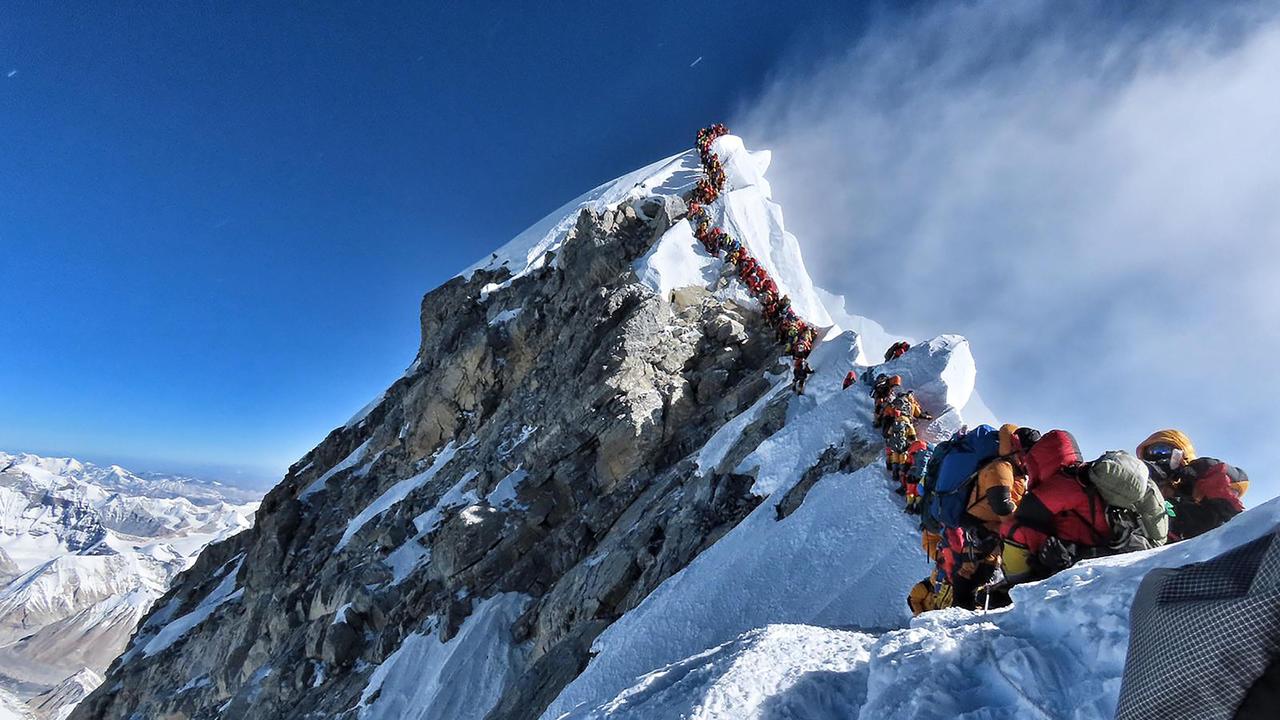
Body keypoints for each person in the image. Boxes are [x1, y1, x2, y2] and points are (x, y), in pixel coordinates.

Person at [1000, 430, 1112, 585]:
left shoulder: (1064, 481)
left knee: (1013, 529)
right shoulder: (1076, 475)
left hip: (1083, 550)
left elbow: (1027, 512)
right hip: (1083, 544)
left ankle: (1013, 587)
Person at [1137, 430, 1249, 541]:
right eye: (1150, 453)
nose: (1156, 456)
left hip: (1210, 542)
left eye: (1162, 450)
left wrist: (1204, 468)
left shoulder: (1198, 482)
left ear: (1180, 453)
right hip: (1156, 549)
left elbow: (1239, 481)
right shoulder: (1144, 491)